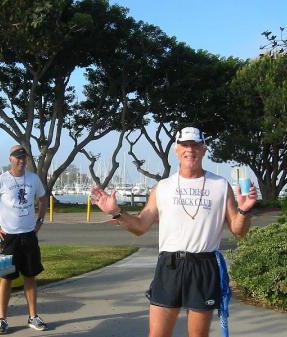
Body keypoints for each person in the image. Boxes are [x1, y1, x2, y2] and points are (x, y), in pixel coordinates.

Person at [91, 126, 257, 337]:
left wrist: (244, 209)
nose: (190, 149)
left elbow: (238, 230)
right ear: (176, 150)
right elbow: (141, 226)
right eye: (185, 145)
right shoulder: (162, 187)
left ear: (204, 149)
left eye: (195, 145)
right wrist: (116, 212)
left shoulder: (220, 185)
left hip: (203, 266)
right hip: (169, 266)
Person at [0, 145, 48, 334]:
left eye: (24, 157)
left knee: (30, 276)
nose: (21, 160)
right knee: (6, 279)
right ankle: (2, 319)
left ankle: (33, 317)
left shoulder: (33, 179)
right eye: (17, 157)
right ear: (10, 159)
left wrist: (40, 220)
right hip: (9, 237)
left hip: (29, 235)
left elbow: (43, 198)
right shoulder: (1, 180)